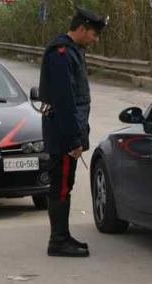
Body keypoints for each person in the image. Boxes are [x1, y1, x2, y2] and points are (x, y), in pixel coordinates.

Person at [38, 6, 108, 258]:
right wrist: (74, 140)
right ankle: (58, 241)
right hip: (62, 136)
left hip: (65, 134)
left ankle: (63, 236)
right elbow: (65, 101)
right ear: (82, 29)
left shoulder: (72, 51)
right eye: (94, 34)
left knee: (64, 184)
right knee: (60, 186)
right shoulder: (61, 53)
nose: (95, 39)